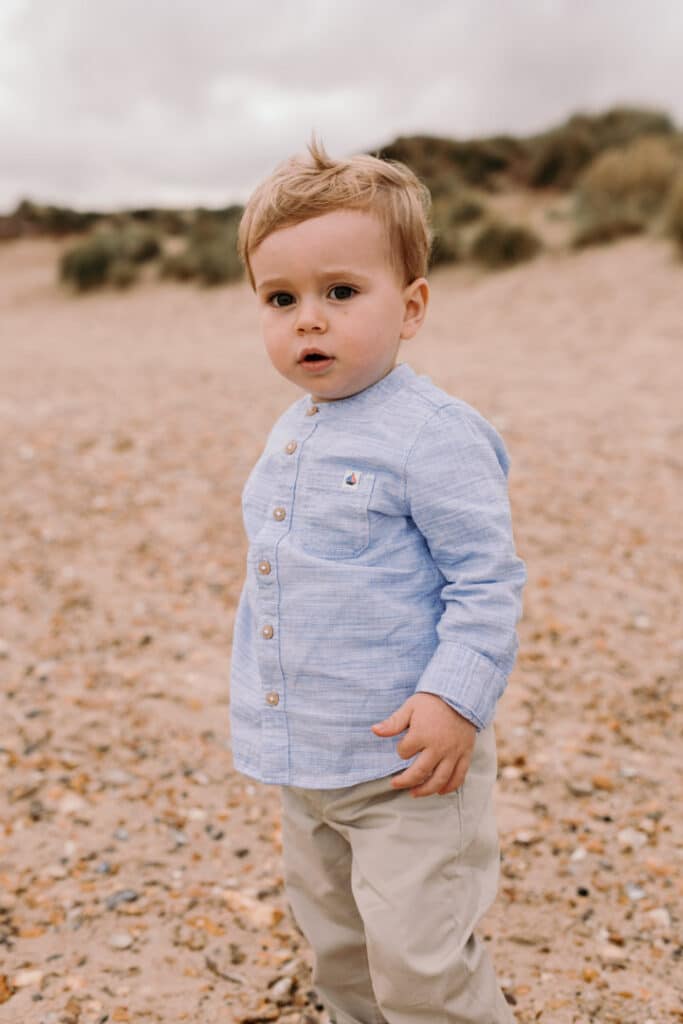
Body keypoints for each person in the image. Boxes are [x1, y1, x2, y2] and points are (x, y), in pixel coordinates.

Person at [230, 138, 526, 1024]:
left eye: (340, 292)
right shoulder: (293, 427)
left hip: (408, 766)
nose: (306, 320)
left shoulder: (432, 434)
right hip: (306, 756)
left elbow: (486, 579)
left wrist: (455, 698)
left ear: (411, 306)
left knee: (420, 956)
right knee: (339, 944)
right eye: (280, 299)